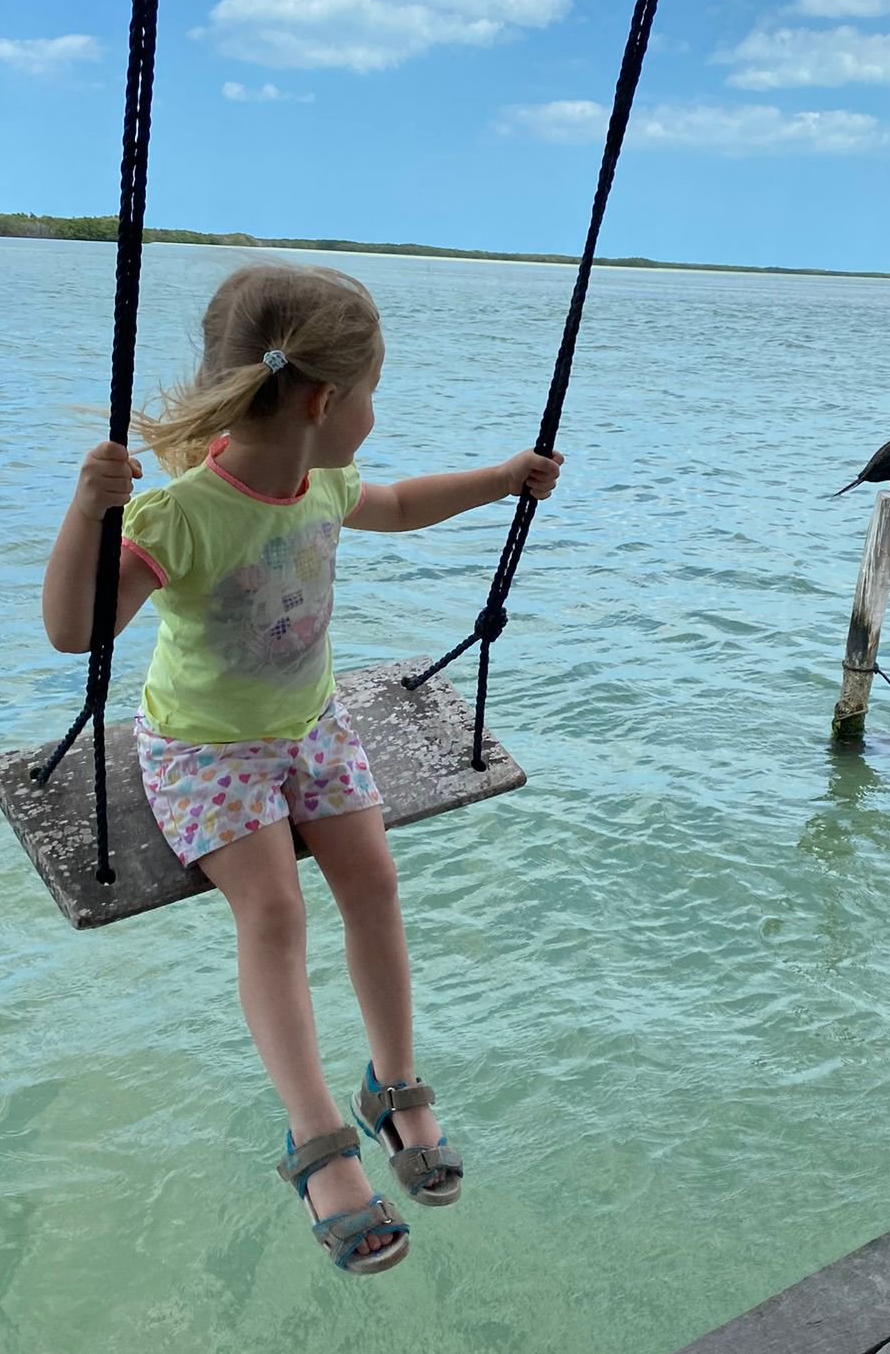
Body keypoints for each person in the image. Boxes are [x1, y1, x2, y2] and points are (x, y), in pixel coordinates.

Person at [41, 262, 562, 1276]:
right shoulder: (182, 513)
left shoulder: (323, 481)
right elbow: (73, 631)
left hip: (309, 726)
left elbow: (404, 501)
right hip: (205, 749)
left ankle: (393, 1084)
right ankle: (317, 1133)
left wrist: (502, 478)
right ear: (326, 400)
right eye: (372, 391)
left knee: (373, 879)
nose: (375, 410)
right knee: (273, 911)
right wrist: (85, 513)